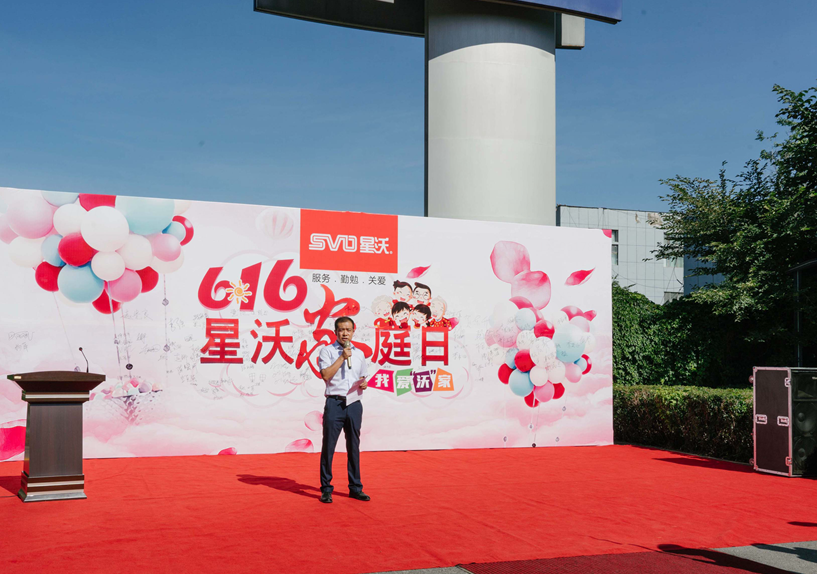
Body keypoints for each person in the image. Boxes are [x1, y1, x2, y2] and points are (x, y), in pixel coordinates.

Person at [317, 317, 370, 504]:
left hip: (354, 404)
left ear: (353, 331)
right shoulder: (327, 351)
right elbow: (325, 375)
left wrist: (364, 384)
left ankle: (355, 488)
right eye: (341, 330)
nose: (345, 333)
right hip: (335, 403)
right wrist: (342, 357)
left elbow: (363, 377)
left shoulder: (360, 354)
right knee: (329, 447)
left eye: (348, 330)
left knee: (353, 446)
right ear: (335, 332)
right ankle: (326, 489)